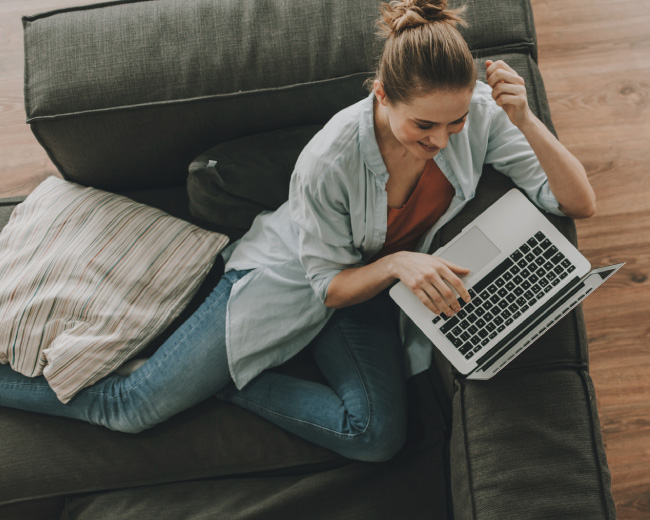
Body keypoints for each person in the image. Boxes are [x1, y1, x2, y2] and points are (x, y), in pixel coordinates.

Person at [0, 0, 595, 462]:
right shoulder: (330, 158)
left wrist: (525, 120)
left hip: (366, 295)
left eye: (457, 121)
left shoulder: (478, 115)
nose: (443, 140)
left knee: (375, 437)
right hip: (291, 282)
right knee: (131, 407)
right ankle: (187, 372)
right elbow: (327, 286)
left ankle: (219, 384)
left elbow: (578, 201)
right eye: (425, 126)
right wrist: (396, 265)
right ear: (382, 95)